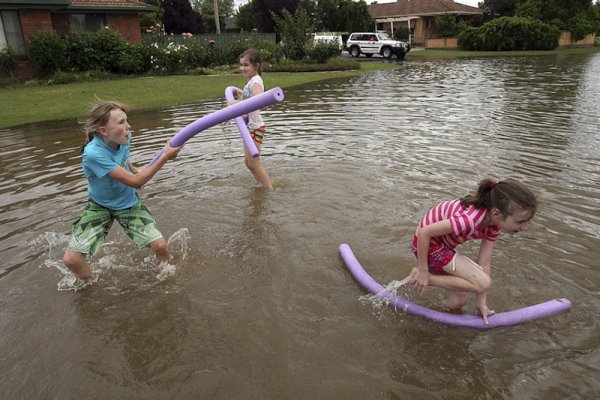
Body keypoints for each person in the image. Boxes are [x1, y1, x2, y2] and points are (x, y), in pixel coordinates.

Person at [63, 101, 183, 279]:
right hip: (100, 206)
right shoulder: (93, 153)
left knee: (160, 246)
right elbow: (137, 183)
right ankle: (90, 289)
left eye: (126, 120)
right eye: (121, 123)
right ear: (104, 131)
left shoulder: (125, 137)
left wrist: (135, 169)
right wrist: (165, 156)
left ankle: (169, 277)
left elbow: (123, 159)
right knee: (71, 260)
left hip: (128, 203)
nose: (129, 126)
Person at [401, 178, 538, 324]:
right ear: (497, 213)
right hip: (427, 245)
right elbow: (424, 232)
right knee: (483, 282)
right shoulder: (470, 220)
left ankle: (425, 317)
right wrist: (424, 271)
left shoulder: (493, 224)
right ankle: (419, 276)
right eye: (520, 222)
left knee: (458, 301)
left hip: (443, 247)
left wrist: (481, 303)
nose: (526, 227)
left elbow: (484, 263)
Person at [229, 48, 273, 190]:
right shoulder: (251, 82)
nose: (242, 68)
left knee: (254, 163)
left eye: (246, 65)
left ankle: (269, 189)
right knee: (248, 163)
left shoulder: (256, 81)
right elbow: (250, 102)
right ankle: (262, 186)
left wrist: (236, 103)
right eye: (241, 64)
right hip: (249, 127)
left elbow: (258, 102)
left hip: (255, 127)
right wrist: (241, 96)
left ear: (257, 66)